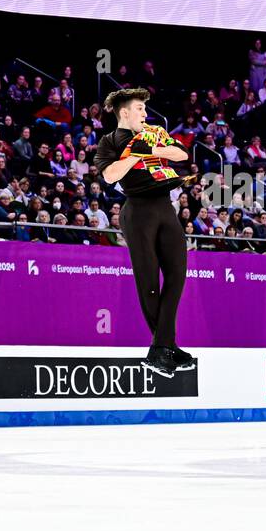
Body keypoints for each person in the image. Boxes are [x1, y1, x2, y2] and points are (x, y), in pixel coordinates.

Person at [93, 88, 196, 377]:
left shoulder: (153, 133)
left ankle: (161, 348)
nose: (145, 114)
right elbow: (111, 175)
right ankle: (165, 347)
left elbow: (180, 153)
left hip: (165, 207)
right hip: (137, 211)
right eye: (140, 109)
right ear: (124, 112)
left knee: (177, 273)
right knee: (149, 281)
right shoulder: (109, 141)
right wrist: (133, 155)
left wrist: (148, 149)